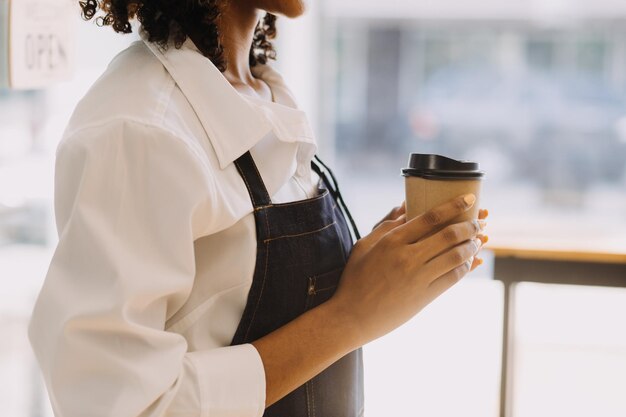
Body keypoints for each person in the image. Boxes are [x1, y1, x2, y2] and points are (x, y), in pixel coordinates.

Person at [28, 1, 489, 416]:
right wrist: (348, 318)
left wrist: (380, 276)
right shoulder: (139, 129)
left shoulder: (258, 93)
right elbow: (117, 407)